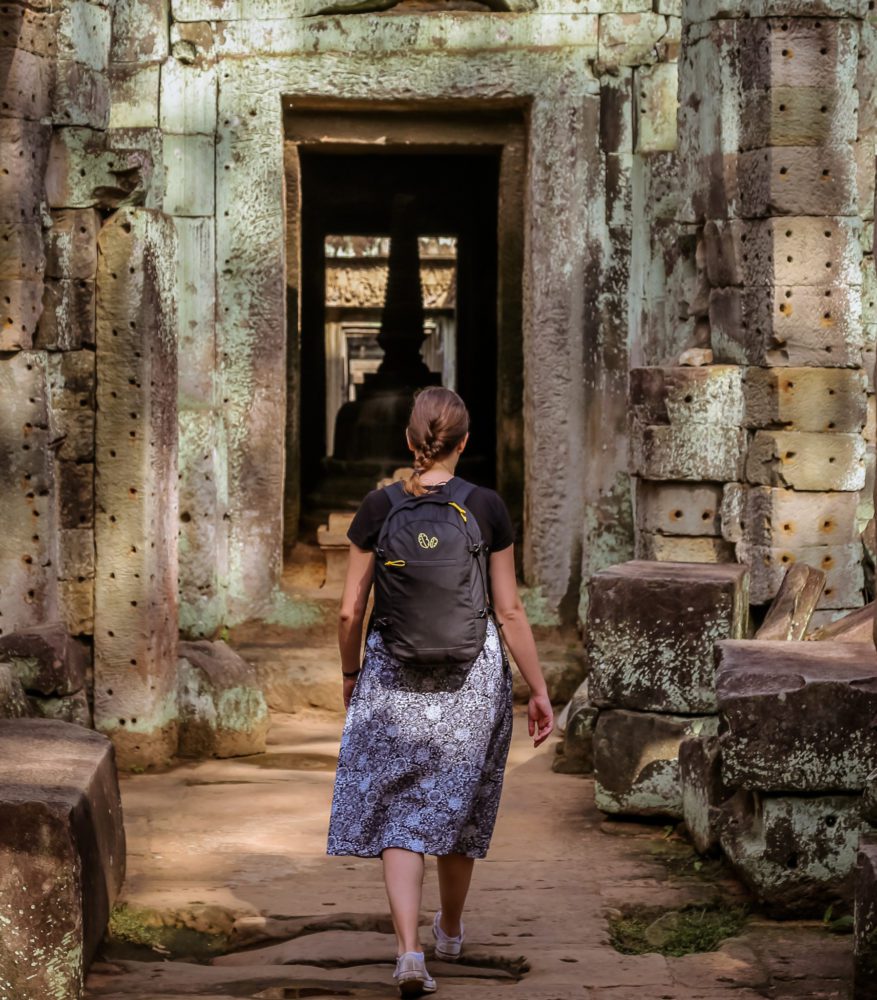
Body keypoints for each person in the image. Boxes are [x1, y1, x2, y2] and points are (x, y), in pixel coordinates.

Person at [326, 386, 554, 998]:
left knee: (402, 811)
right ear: (465, 442)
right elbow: (508, 612)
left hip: (392, 674)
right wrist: (538, 689)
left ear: (410, 441)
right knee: (458, 804)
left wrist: (351, 674)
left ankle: (408, 953)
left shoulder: (378, 507)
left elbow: (350, 611)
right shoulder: (486, 506)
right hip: (471, 676)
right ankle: (450, 927)